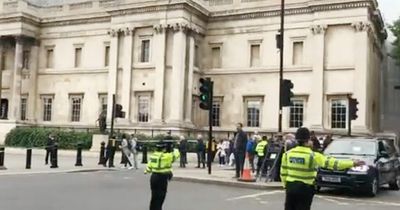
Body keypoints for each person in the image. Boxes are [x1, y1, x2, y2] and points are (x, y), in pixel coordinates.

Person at [280, 127, 365, 210]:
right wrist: (352, 163)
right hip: (305, 188)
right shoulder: (313, 155)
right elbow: (334, 164)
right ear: (307, 141)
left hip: (290, 187)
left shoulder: (287, 154)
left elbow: (283, 172)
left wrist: (285, 186)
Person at [145, 141, 180, 210]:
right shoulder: (166, 156)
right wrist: (174, 148)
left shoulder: (153, 155)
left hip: (154, 177)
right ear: (164, 148)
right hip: (162, 178)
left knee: (154, 196)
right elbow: (176, 155)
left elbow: (148, 167)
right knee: (161, 196)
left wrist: (147, 170)